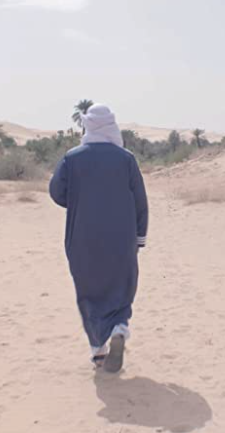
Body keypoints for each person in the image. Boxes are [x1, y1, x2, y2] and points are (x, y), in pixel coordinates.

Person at [49, 104, 149, 373]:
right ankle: (119, 327)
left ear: (88, 125)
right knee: (121, 287)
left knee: (89, 292)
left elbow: (56, 192)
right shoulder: (126, 159)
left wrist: (79, 200)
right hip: (121, 238)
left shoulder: (72, 158)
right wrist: (139, 237)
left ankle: (98, 350)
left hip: (83, 238)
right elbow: (140, 201)